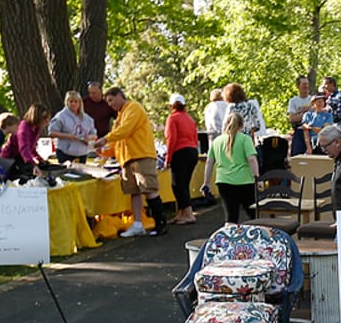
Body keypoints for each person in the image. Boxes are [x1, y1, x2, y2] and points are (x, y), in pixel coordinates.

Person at [95, 87, 168, 237]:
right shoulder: (119, 116)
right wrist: (103, 151)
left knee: (149, 189)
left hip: (141, 154)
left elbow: (126, 130)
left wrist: (105, 139)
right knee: (133, 192)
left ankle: (160, 223)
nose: (110, 104)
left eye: (111, 100)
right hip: (126, 159)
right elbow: (117, 142)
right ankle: (137, 224)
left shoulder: (134, 108)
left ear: (119, 96)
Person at [201, 112, 259, 223]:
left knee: (231, 215)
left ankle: (229, 238)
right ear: (241, 126)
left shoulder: (217, 141)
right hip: (245, 181)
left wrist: (206, 182)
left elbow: (209, 162)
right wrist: (257, 176)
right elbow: (251, 159)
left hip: (224, 181)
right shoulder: (245, 139)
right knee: (254, 214)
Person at [164, 93, 200, 225]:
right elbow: (195, 138)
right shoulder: (190, 119)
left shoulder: (172, 118)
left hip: (180, 152)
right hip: (192, 151)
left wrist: (168, 158)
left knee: (177, 185)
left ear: (171, 106)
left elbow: (171, 139)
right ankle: (181, 214)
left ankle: (189, 214)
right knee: (184, 184)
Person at [0, 104, 52, 180]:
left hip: (21, 158)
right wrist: (32, 165)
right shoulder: (24, 128)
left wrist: (40, 159)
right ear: (37, 117)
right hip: (10, 159)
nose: (47, 121)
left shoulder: (36, 128)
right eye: (45, 118)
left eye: (48, 118)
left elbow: (32, 148)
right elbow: (24, 149)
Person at [48, 91, 97, 164]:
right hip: (65, 152)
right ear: (67, 102)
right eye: (71, 101)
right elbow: (51, 133)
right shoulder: (60, 116)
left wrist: (88, 138)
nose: (73, 104)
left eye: (75, 101)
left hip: (82, 153)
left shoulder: (87, 118)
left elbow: (94, 135)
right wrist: (68, 136)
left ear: (80, 103)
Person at [286, 76, 314, 156]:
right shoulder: (293, 101)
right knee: (297, 157)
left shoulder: (313, 100)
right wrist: (307, 112)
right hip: (299, 131)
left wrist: (300, 115)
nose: (306, 86)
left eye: (307, 84)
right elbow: (292, 118)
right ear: (298, 86)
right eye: (304, 84)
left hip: (312, 132)